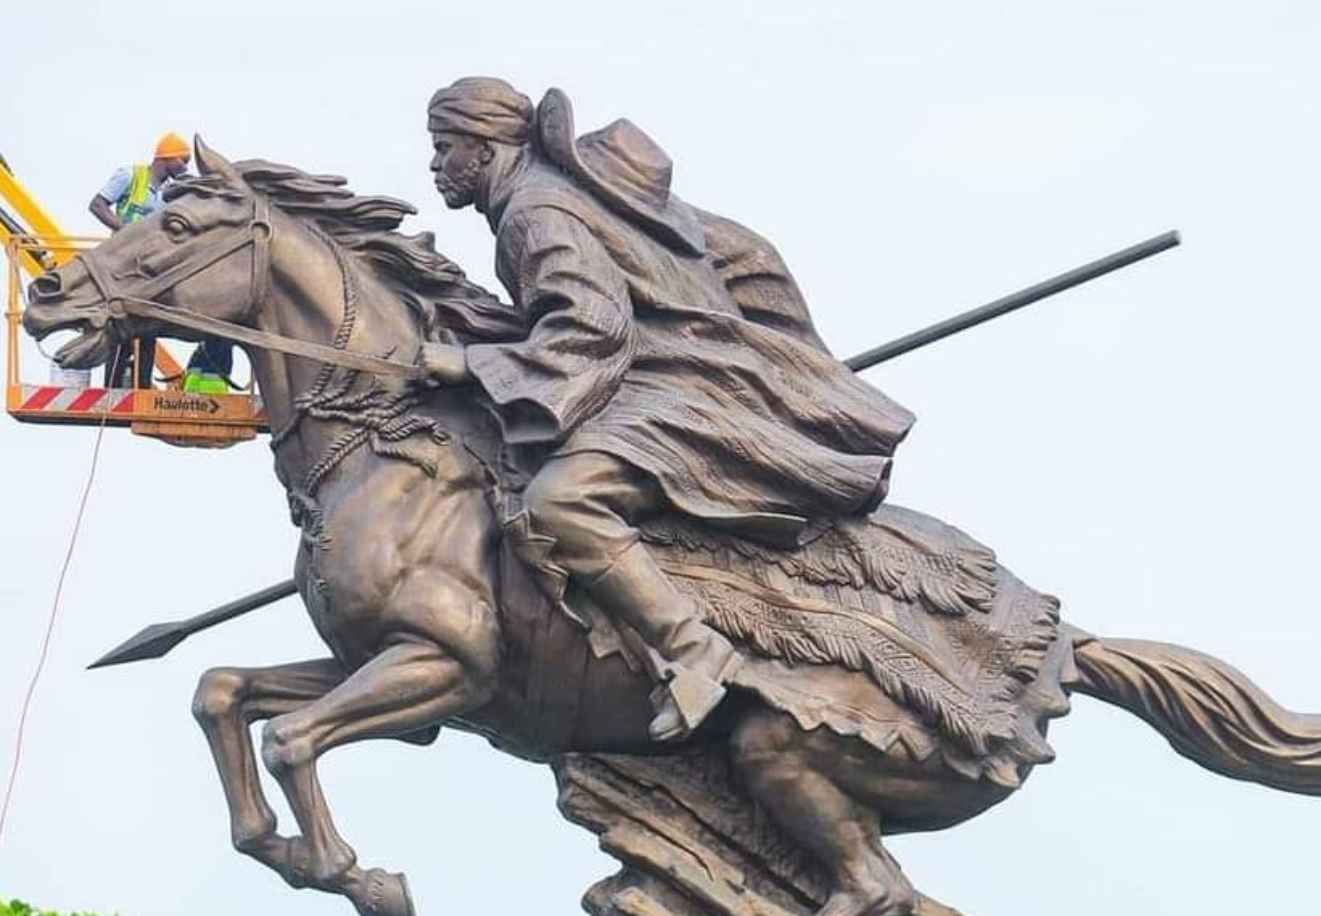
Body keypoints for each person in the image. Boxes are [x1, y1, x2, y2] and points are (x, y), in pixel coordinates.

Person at [420, 78, 915, 741]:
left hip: (678, 392)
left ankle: (693, 651)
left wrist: (473, 365)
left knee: (560, 503)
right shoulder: (554, 198)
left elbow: (591, 326)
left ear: (481, 149)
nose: (433, 165)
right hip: (674, 378)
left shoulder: (534, 215)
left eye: (443, 146)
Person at [89, 132, 234, 389]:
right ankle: (112, 386)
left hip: (152, 268)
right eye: (182, 160)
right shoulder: (131, 176)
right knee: (120, 323)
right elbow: (98, 205)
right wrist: (124, 231)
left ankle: (141, 384)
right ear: (166, 158)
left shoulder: (171, 192)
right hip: (124, 264)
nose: (185, 166)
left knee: (148, 326)